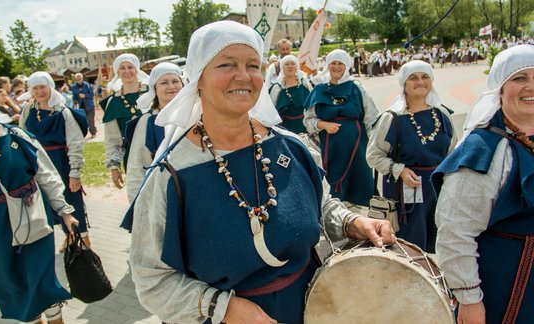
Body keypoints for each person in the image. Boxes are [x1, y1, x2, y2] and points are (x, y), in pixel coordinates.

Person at [127, 20, 395, 324]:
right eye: (227, 64)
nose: (243, 76)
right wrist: (222, 308)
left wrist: (352, 222)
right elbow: (151, 280)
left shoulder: (292, 147)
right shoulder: (172, 174)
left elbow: (321, 205)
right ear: (197, 78)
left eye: (253, 65)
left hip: (309, 308)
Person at [0, 88, 79, 324]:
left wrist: (65, 211)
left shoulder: (17, 137)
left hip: (30, 212)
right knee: (2, 278)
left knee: (39, 274)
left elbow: (47, 175)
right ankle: (35, 320)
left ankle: (56, 320)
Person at [433, 45, 534, 324]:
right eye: (519, 78)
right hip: (507, 288)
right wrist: (469, 300)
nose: (530, 86)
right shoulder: (483, 151)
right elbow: (455, 233)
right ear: (499, 89)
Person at [366, 60, 457, 252]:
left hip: (438, 188)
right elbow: (373, 155)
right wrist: (400, 170)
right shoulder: (392, 118)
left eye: (425, 77)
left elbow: (452, 152)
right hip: (407, 190)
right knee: (412, 243)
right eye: (413, 78)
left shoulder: (442, 115)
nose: (420, 82)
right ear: (404, 84)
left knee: (440, 238)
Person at [18, 72, 90, 252]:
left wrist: (75, 171)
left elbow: (75, 142)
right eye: (35, 88)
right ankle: (69, 235)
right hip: (38, 163)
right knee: (49, 201)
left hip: (60, 162)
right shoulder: (28, 110)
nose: (39, 91)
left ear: (50, 87)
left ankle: (83, 236)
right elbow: (21, 135)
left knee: (70, 198)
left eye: (42, 87)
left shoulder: (63, 112)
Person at [304, 49, 379, 206]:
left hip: (358, 146)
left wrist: (373, 144)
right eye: (333, 63)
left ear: (347, 65)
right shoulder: (319, 89)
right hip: (331, 146)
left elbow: (372, 117)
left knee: (361, 180)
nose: (336, 67)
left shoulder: (356, 88)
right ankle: (336, 216)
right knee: (334, 181)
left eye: (340, 63)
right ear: (327, 65)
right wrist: (324, 125)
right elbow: (308, 119)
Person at [125, 62, 184, 203]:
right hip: (162, 195)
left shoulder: (195, 115)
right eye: (164, 82)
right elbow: (136, 165)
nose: (171, 86)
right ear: (154, 89)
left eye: (175, 81)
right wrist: (136, 203)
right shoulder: (148, 121)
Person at [99, 53, 149, 189]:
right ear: (117, 72)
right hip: (132, 156)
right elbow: (114, 140)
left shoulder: (151, 93)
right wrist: (114, 167)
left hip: (156, 151)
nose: (127, 71)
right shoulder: (113, 102)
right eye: (122, 68)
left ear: (136, 69)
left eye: (130, 67)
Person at [268, 55, 313, 134]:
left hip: (306, 127)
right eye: (287, 64)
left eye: (293, 64)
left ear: (297, 66)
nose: (290, 66)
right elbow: (271, 111)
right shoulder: (277, 88)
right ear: (282, 67)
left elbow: (313, 103)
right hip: (285, 129)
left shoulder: (304, 83)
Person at [70, 73, 97, 137]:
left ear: (82, 78)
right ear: (75, 79)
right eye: (77, 77)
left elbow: (92, 95)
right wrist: (75, 104)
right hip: (81, 107)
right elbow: (74, 97)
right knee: (83, 121)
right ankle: (83, 133)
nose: (79, 78)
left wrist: (85, 95)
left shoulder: (88, 85)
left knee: (90, 120)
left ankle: (93, 133)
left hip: (90, 106)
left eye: (80, 77)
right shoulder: (73, 87)